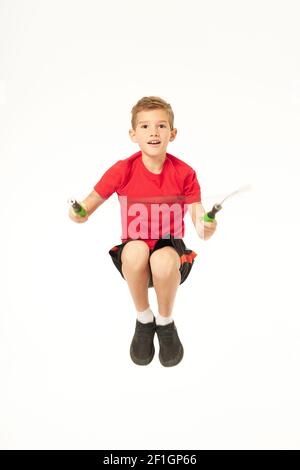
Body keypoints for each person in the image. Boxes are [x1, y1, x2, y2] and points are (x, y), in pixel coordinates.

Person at [68, 96, 217, 367]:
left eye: (161, 126)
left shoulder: (184, 172)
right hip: (134, 256)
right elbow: (87, 207)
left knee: (161, 259)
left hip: (170, 255)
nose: (153, 132)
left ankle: (165, 321)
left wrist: (206, 225)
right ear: (133, 134)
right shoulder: (123, 169)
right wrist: (79, 212)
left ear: (172, 133)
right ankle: (144, 319)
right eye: (145, 126)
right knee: (136, 249)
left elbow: (199, 219)